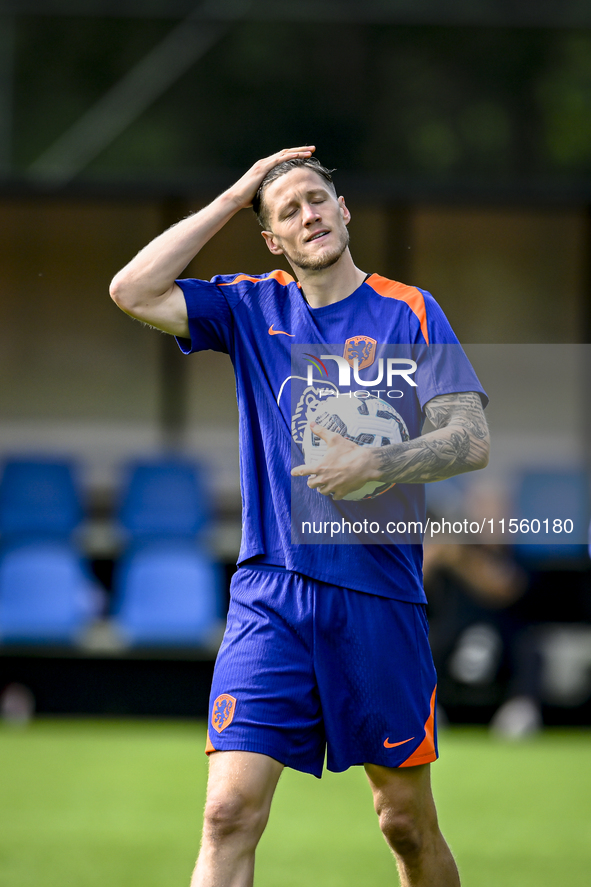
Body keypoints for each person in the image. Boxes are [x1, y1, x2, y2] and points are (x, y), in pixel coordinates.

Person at [110, 146, 490, 887]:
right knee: (226, 814)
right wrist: (232, 197)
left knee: (404, 825)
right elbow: (132, 289)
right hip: (271, 595)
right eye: (287, 211)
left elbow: (469, 439)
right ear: (272, 241)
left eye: (317, 199)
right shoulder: (252, 306)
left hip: (378, 595)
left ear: (343, 211)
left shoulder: (407, 309)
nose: (307, 213)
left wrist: (374, 463)